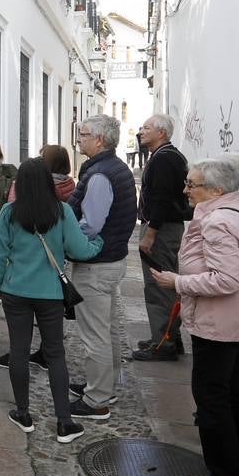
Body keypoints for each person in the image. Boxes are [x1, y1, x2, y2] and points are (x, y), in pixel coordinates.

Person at [149, 154, 239, 476]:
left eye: (192, 184)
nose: (186, 189)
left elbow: (227, 279)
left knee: (212, 398)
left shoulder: (217, 221)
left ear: (216, 189)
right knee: (236, 393)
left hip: (222, 322)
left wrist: (179, 281)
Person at [0, 158, 102, 443]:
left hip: (16, 291)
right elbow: (80, 249)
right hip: (50, 294)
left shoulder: (9, 212)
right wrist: (99, 243)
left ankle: (23, 414)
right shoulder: (62, 211)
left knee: (18, 350)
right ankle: (64, 421)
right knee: (55, 354)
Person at [67, 115, 138, 421]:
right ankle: (103, 386)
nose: (78, 140)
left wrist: (69, 244)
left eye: (82, 135)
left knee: (94, 333)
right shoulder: (116, 168)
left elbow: (90, 225)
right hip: (113, 259)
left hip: (97, 264)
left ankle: (96, 400)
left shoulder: (99, 176)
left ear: (99, 140)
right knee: (106, 329)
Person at [133, 114, 192, 362]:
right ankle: (167, 335)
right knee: (161, 283)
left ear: (161, 133)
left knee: (159, 285)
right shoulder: (165, 156)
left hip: (162, 229)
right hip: (163, 227)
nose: (140, 131)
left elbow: (162, 199)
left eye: (146, 127)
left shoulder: (165, 159)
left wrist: (150, 235)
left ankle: (163, 343)